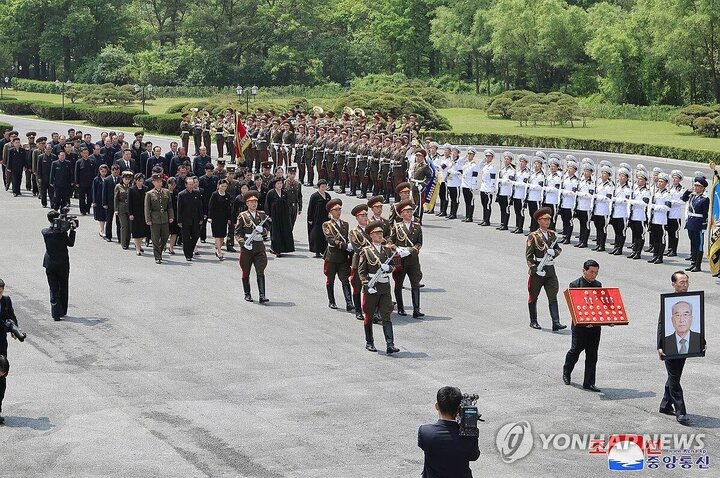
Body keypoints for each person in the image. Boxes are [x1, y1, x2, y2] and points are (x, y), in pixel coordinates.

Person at [657, 271, 708, 425]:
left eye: (686, 282)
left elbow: (697, 321)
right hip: (670, 345)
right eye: (681, 282)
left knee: (675, 376)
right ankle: (681, 411)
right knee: (674, 377)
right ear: (673, 284)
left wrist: (701, 341)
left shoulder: (691, 300)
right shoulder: (669, 301)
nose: (684, 285)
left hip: (686, 344)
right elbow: (661, 325)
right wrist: (660, 345)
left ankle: (665, 405)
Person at [417, 386, 480, 478]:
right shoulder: (468, 434)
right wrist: (470, 424)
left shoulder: (425, 432)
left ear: (437, 406)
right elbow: (474, 456)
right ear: (459, 408)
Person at [563, 260, 605, 392]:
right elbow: (575, 306)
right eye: (592, 272)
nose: (594, 275)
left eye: (596, 272)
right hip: (580, 328)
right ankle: (566, 372)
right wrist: (584, 321)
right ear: (584, 271)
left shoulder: (598, 285)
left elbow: (601, 305)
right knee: (575, 351)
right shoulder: (575, 285)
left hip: (594, 327)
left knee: (592, 355)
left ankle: (589, 382)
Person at [358, 220, 399, 353]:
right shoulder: (366, 251)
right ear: (371, 235)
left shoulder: (387, 250)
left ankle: (390, 344)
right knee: (369, 316)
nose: (380, 235)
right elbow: (361, 272)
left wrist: (389, 268)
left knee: (386, 315)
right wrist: (366, 285)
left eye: (381, 233)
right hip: (372, 286)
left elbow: (393, 265)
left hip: (384, 286)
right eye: (377, 233)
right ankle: (369, 342)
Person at [526, 207, 566, 331]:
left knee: (553, 296)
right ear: (539, 220)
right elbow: (529, 255)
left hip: (550, 270)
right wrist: (534, 269)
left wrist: (553, 252)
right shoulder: (533, 236)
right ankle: (533, 321)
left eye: (549, 219)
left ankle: (556, 322)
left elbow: (559, 249)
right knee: (533, 296)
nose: (548, 221)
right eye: (545, 219)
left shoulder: (552, 234)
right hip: (538, 270)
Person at [390, 199, 424, 318]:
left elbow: (419, 243)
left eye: (410, 211)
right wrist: (397, 249)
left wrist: (410, 251)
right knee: (398, 284)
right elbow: (390, 242)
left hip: (413, 259)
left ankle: (416, 309)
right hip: (400, 260)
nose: (410, 214)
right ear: (401, 214)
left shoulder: (417, 227)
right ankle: (400, 307)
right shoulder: (397, 227)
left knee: (415, 283)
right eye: (407, 212)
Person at [235, 191, 270, 302]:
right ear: (247, 203)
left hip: (259, 247)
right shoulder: (243, 216)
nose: (254, 204)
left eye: (255, 201)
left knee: (260, 271)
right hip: (247, 248)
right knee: (246, 271)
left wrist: (263, 230)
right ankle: (247, 293)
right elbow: (237, 233)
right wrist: (243, 243)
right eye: (251, 202)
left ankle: (262, 295)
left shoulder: (262, 215)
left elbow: (267, 229)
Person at [42, 210, 76, 320]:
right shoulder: (62, 234)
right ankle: (62, 310)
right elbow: (71, 243)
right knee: (63, 286)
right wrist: (72, 230)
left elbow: (48, 230)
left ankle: (55, 313)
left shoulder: (45, 232)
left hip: (50, 264)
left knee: (53, 288)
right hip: (62, 264)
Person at [322, 199, 354, 311]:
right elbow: (331, 240)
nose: (338, 212)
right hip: (332, 256)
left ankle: (349, 303)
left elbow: (346, 238)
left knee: (345, 280)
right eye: (336, 210)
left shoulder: (345, 224)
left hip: (342, 257)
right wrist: (346, 246)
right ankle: (332, 301)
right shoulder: (327, 225)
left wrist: (350, 244)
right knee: (330, 279)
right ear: (331, 211)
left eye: (339, 209)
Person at [0, 278, 20, 425]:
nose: (0, 294)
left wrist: (14, 330)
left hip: (1, 347)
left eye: (1, 292)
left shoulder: (6, 301)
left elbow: (11, 317)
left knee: (2, 378)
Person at [144, 173, 174, 264]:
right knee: (155, 238)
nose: (159, 183)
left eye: (160, 181)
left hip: (164, 217)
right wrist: (148, 219)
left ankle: (159, 251)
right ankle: (157, 256)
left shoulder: (166, 192)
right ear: (153, 182)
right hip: (154, 217)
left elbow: (169, 205)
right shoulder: (149, 194)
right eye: (157, 181)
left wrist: (171, 216)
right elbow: (147, 207)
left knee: (165, 236)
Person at [349, 204, 372, 321]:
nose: (365, 217)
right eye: (362, 215)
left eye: (366, 215)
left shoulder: (372, 229)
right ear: (357, 218)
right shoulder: (354, 232)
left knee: (372, 286)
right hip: (359, 263)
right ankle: (358, 310)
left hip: (373, 263)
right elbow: (358, 249)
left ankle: (371, 310)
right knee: (357, 286)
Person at [683, 176, 710, 272]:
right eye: (695, 185)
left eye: (698, 186)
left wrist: (704, 226)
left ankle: (698, 265)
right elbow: (683, 198)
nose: (696, 187)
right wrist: (688, 191)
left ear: (703, 188)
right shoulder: (693, 196)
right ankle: (693, 263)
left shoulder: (705, 199)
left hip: (698, 224)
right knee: (693, 244)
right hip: (691, 223)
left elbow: (705, 214)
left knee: (699, 245)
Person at [265, 177, 295, 256]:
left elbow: (287, 205)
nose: (280, 185)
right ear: (274, 184)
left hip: (283, 216)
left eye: (281, 183)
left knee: (283, 231)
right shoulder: (271, 193)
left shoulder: (284, 193)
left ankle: (283, 248)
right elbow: (267, 205)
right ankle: (276, 249)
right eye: (278, 183)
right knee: (275, 233)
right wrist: (268, 216)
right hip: (274, 216)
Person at [177, 177, 204, 261]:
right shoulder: (181, 194)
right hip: (185, 220)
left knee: (196, 236)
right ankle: (188, 255)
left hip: (195, 219)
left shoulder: (197, 193)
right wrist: (179, 220)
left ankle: (190, 250)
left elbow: (200, 206)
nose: (191, 186)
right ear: (185, 185)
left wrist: (201, 217)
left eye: (192, 184)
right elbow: (179, 209)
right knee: (186, 238)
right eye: (189, 184)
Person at [207, 179, 232, 260]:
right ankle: (219, 251)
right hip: (215, 217)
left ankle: (219, 248)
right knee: (217, 235)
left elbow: (229, 208)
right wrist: (210, 217)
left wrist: (229, 218)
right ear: (218, 186)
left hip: (224, 217)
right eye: (222, 186)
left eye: (225, 186)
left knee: (222, 235)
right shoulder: (214, 194)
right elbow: (211, 206)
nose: (223, 188)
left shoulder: (227, 195)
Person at [307, 179, 331, 258]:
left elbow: (330, 207)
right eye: (322, 187)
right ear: (319, 187)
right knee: (317, 235)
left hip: (325, 218)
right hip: (316, 218)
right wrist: (310, 219)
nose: (323, 188)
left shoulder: (327, 196)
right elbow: (310, 208)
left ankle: (324, 250)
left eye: (325, 186)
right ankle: (317, 251)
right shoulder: (314, 196)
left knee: (325, 234)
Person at [128, 173, 149, 255]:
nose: (140, 182)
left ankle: (139, 245)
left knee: (143, 231)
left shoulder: (146, 189)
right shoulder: (131, 190)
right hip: (135, 213)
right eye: (139, 181)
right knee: (136, 231)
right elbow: (129, 203)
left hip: (144, 213)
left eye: (142, 181)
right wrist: (130, 214)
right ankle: (137, 248)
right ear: (136, 181)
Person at [74, 147, 96, 215]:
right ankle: (82, 210)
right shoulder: (79, 162)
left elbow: (94, 172)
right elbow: (76, 173)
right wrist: (77, 182)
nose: (86, 154)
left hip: (90, 183)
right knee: (82, 198)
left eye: (87, 153)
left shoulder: (92, 161)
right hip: (82, 183)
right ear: (81, 154)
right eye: (84, 153)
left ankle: (87, 208)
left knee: (90, 198)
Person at [114, 171, 133, 250]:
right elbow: (115, 198)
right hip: (121, 207)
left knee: (130, 227)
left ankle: (128, 242)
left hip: (130, 208)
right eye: (126, 179)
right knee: (124, 225)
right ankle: (123, 243)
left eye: (129, 179)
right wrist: (116, 209)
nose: (127, 180)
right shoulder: (118, 186)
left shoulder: (131, 186)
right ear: (122, 178)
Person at [102, 165, 121, 242]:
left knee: (119, 221)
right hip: (109, 203)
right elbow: (104, 192)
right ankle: (108, 236)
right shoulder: (107, 180)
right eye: (115, 172)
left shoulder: (121, 179)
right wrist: (104, 203)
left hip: (118, 204)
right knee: (109, 220)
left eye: (117, 172)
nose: (116, 173)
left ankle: (120, 237)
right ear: (112, 171)